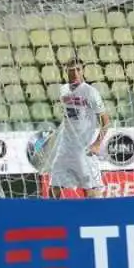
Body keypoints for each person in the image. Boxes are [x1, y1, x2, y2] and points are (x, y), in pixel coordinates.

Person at [50, 58, 111, 199]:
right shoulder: (63, 90)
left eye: (78, 69)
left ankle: (94, 218)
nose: (75, 73)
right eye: (71, 70)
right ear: (66, 72)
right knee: (54, 187)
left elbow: (106, 120)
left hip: (84, 148)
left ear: (83, 71)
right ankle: (51, 216)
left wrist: (96, 144)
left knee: (89, 190)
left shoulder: (90, 92)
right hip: (65, 148)